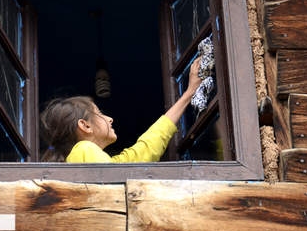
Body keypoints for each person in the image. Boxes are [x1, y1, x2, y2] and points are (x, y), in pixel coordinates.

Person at [40, 57, 202, 162]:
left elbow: (145, 149)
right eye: (99, 113)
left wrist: (189, 93)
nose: (110, 119)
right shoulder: (83, 148)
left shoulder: (102, 163)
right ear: (85, 125)